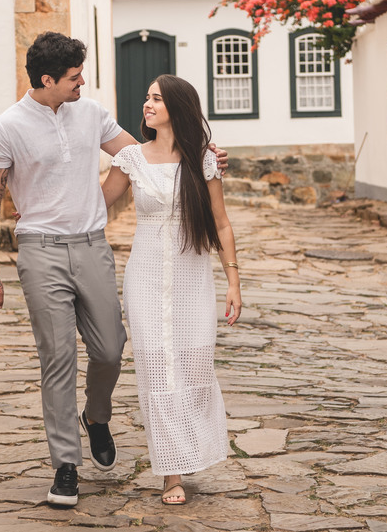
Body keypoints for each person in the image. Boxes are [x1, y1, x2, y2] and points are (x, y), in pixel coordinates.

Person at [0, 33, 226, 507]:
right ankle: (66, 467)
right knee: (58, 358)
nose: (82, 82)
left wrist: (204, 157)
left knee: (111, 349)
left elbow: (153, 159)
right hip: (40, 250)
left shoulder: (91, 114)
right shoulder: (5, 127)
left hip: (92, 246)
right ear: (48, 80)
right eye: (73, 77)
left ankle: (96, 415)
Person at [100, 74, 243, 507]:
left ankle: (191, 447)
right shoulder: (131, 159)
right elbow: (95, 203)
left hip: (192, 278)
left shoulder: (203, 159)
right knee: (158, 370)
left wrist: (234, 281)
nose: (147, 105)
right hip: (144, 278)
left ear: (176, 107)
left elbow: (221, 223)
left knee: (195, 365)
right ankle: (171, 472)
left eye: (156, 99)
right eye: (146, 97)